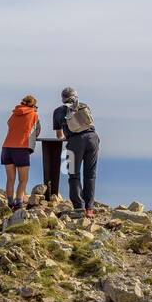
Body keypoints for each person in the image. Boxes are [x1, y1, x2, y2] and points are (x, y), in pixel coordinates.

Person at [53, 86, 99, 218]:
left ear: (62, 99)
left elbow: (59, 136)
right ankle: (89, 208)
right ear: (76, 97)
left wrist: (67, 137)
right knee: (90, 174)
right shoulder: (84, 106)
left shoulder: (58, 112)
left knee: (73, 174)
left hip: (74, 143)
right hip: (92, 139)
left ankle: (79, 207)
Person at [0, 94, 41, 210]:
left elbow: (9, 125)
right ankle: (18, 204)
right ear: (33, 105)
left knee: (10, 179)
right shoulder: (34, 115)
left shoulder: (14, 113)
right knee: (23, 179)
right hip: (21, 148)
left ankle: (9, 203)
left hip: (6, 147)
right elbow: (37, 131)